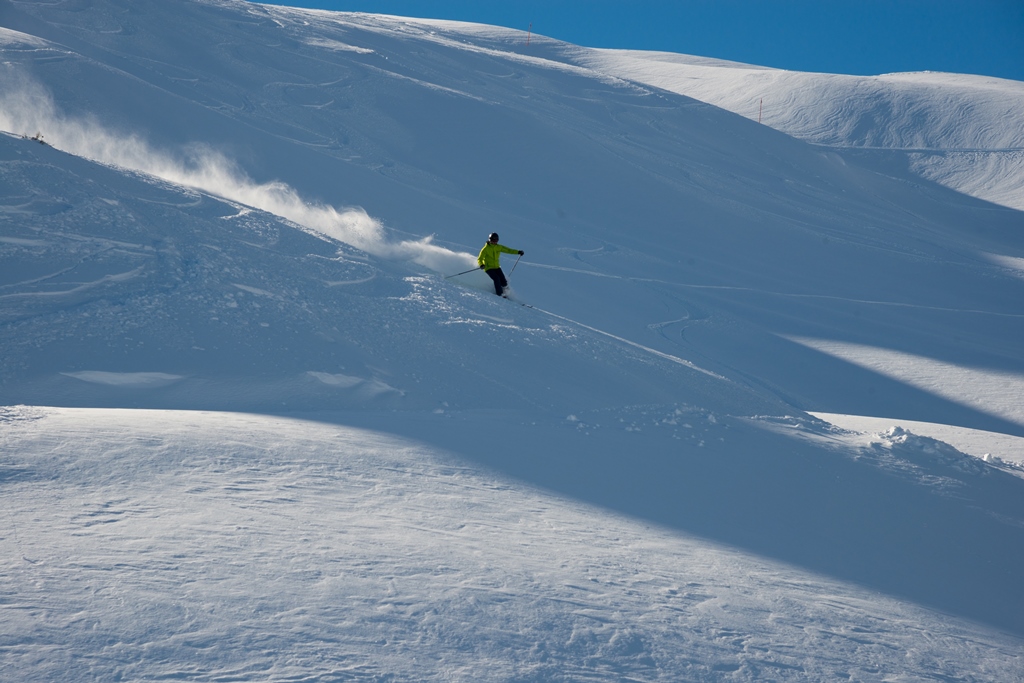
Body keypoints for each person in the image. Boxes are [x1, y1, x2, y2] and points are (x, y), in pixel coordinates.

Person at [478, 232, 523, 297]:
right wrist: (481, 264)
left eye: (496, 240)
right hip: (488, 268)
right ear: (490, 240)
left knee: (504, 282)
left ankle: (506, 293)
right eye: (493, 240)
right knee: (496, 278)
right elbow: (480, 258)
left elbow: (508, 250)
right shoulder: (485, 249)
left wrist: (518, 252)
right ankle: (500, 294)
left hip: (496, 267)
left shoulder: (499, 247)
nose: (494, 242)